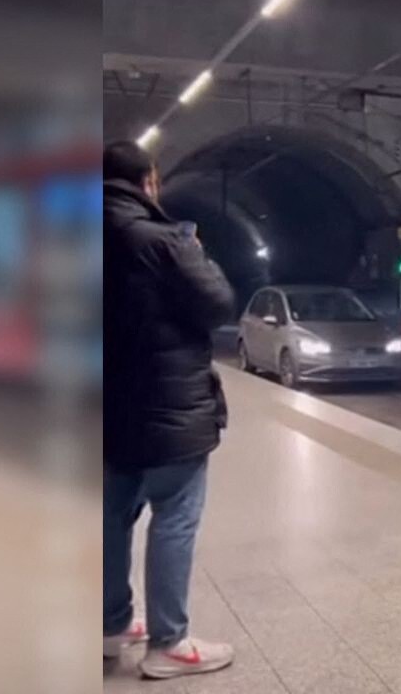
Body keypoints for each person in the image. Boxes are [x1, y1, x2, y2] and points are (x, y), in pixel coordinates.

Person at [102, 140, 236, 679]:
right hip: (169, 405)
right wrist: (193, 248)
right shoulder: (162, 241)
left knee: (113, 515)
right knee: (174, 517)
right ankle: (168, 644)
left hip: (109, 405)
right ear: (149, 182)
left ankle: (110, 626)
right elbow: (219, 304)